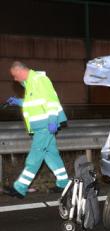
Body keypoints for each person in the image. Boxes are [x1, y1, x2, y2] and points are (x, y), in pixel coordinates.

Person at [2, 61, 69, 198]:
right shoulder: (30, 83)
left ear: (21, 71)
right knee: (51, 155)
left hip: (45, 125)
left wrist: (52, 120)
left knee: (34, 156)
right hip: (40, 126)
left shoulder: (40, 79)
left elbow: (51, 101)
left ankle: (20, 187)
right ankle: (63, 182)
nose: (15, 79)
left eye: (15, 76)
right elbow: (33, 104)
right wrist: (18, 102)